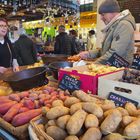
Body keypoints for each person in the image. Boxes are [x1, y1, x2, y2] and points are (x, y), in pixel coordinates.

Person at [79, 0, 136, 66]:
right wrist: (88, 54)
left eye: (103, 15)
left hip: (119, 70)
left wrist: (94, 65)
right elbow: (105, 51)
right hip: (112, 68)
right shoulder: (114, 26)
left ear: (113, 12)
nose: (101, 18)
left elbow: (116, 52)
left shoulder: (123, 25)